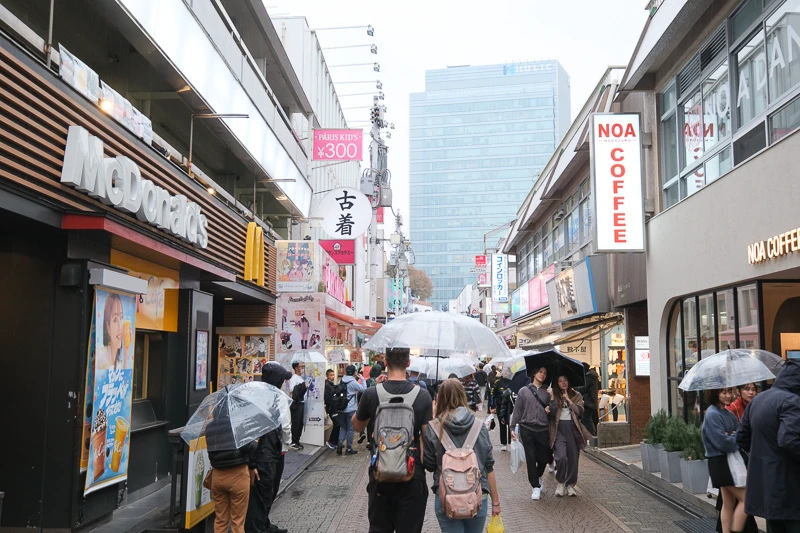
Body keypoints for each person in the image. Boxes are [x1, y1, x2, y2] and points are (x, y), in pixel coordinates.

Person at [353, 347, 433, 533]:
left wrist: (366, 401)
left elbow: (357, 426)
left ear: (386, 363)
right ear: (408, 363)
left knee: (380, 528)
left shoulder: (372, 393)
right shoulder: (422, 395)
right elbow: (427, 437)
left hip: (380, 473)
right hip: (412, 474)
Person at [423, 378, 501, 532]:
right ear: (463, 395)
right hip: (477, 495)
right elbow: (489, 466)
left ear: (440, 398)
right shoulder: (479, 426)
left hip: (446, 497)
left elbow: (430, 465)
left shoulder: (434, 427)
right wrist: (496, 502)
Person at [738, 360, 800, 533]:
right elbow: (789, 441)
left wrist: (763, 455)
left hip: (764, 483)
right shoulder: (792, 401)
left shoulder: (758, 399)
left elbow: (742, 438)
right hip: (789, 486)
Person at [245, 363, 292, 533]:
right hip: (272, 449)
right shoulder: (279, 396)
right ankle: (257, 527)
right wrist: (287, 444)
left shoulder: (253, 394)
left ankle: (264, 523)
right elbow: (286, 425)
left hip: (254, 448)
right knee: (267, 489)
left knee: (258, 490)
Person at [207, 402, 257, 533]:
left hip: (218, 477)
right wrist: (254, 442)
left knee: (220, 520)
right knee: (238, 522)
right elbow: (250, 448)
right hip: (238, 476)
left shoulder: (209, 428)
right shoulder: (237, 425)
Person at [703, 388, 747, 533]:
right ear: (716, 394)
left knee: (728, 502)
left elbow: (737, 435)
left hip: (727, 461)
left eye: (729, 392)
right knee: (746, 499)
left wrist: (732, 436)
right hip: (721, 462)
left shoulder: (728, 414)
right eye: (724, 393)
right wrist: (734, 437)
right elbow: (722, 442)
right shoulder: (712, 414)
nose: (728, 396)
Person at [510, 365, 552, 500]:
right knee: (531, 458)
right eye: (540, 372)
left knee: (544, 457)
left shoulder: (548, 391)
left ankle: (539, 476)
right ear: (534, 373)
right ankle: (535, 486)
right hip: (527, 428)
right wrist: (512, 428)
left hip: (543, 429)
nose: (542, 375)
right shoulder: (523, 391)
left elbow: (554, 411)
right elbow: (517, 411)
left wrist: (551, 401)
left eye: (545, 373)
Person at [549, 375, 590, 498]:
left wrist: (569, 400)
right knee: (561, 457)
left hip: (573, 429)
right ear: (557, 383)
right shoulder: (554, 395)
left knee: (573, 458)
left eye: (565, 380)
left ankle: (570, 484)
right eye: (560, 381)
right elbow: (551, 413)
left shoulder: (576, 395)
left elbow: (580, 411)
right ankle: (561, 482)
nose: (563, 383)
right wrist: (551, 400)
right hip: (558, 429)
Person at [337, 364, 365, 456]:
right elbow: (364, 389)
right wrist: (362, 379)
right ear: (354, 373)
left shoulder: (341, 381)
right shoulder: (353, 382)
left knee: (343, 427)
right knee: (350, 429)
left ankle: (340, 445)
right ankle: (348, 448)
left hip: (341, 408)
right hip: (350, 409)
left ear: (345, 371)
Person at [98, 293, 125, 370]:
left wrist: (126, 353)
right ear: (108, 327)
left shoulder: (119, 360)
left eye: (121, 317)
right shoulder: (102, 357)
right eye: (115, 320)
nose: (120, 326)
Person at [286, 362, 307, 450]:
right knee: (296, 423)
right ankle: (293, 441)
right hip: (296, 403)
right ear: (296, 368)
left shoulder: (301, 377)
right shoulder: (293, 377)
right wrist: (303, 386)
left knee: (300, 423)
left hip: (302, 402)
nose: (302, 367)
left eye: (303, 366)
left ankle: (297, 440)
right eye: (301, 366)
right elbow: (292, 389)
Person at [490, 367, 512, 451]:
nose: (506, 373)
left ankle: (510, 442)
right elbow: (492, 394)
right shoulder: (497, 382)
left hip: (510, 407)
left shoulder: (512, 382)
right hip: (500, 407)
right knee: (502, 424)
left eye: (507, 371)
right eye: (504, 371)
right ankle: (503, 443)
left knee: (510, 424)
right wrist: (492, 406)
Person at [576, 363, 599, 436]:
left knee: (587, 420)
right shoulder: (593, 376)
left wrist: (575, 388)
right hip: (592, 402)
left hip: (588, 403)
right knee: (589, 419)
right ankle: (592, 435)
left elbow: (582, 389)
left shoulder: (588, 377)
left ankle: (592, 436)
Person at [324, 369, 340, 450]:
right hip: (331, 408)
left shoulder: (331, 384)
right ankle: (331, 441)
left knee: (337, 424)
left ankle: (335, 442)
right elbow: (328, 398)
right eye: (331, 375)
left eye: (333, 375)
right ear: (327, 376)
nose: (333, 376)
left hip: (333, 407)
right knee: (337, 423)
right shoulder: (327, 385)